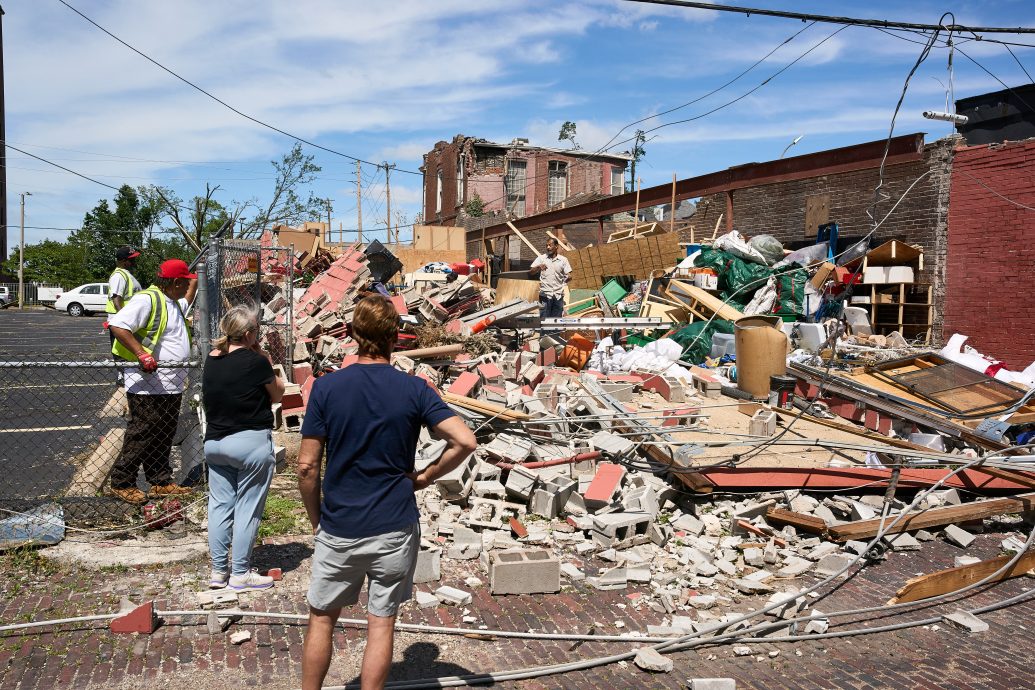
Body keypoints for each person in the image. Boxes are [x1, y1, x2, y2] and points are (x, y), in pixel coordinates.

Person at [298, 296, 477, 690]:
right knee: (380, 624)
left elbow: (307, 467)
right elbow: (464, 441)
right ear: (396, 336)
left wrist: (318, 520)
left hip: (340, 525)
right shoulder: (414, 389)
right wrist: (427, 476)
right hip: (394, 525)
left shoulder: (327, 389)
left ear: (351, 334)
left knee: (322, 617)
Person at [202, 303, 285, 591]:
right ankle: (240, 573)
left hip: (214, 442)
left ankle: (218, 571)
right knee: (247, 508)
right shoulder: (256, 362)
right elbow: (277, 394)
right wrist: (264, 355)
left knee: (219, 506)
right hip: (249, 442)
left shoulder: (212, 358)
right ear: (249, 334)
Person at [107, 259, 198, 505]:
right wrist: (141, 353)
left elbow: (187, 298)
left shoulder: (173, 303)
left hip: (171, 382)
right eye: (185, 281)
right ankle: (122, 482)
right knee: (143, 430)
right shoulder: (146, 300)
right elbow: (117, 325)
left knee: (164, 431)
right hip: (148, 382)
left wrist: (196, 279)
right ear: (176, 282)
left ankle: (160, 481)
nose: (187, 285)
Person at [106, 245, 142, 386]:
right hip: (121, 321)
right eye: (131, 259)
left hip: (127, 320)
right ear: (124, 261)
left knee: (127, 348)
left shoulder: (126, 274)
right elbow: (116, 298)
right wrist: (123, 319)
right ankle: (122, 376)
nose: (134, 262)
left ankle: (127, 374)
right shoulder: (119, 276)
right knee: (121, 348)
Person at [529, 237, 571, 318]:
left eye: (550, 245)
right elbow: (531, 272)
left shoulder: (563, 260)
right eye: (547, 245)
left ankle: (554, 331)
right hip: (545, 295)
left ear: (556, 246)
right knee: (544, 320)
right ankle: (545, 331)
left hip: (558, 296)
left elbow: (568, 275)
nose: (548, 247)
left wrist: (568, 277)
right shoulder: (541, 258)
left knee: (556, 321)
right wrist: (538, 267)